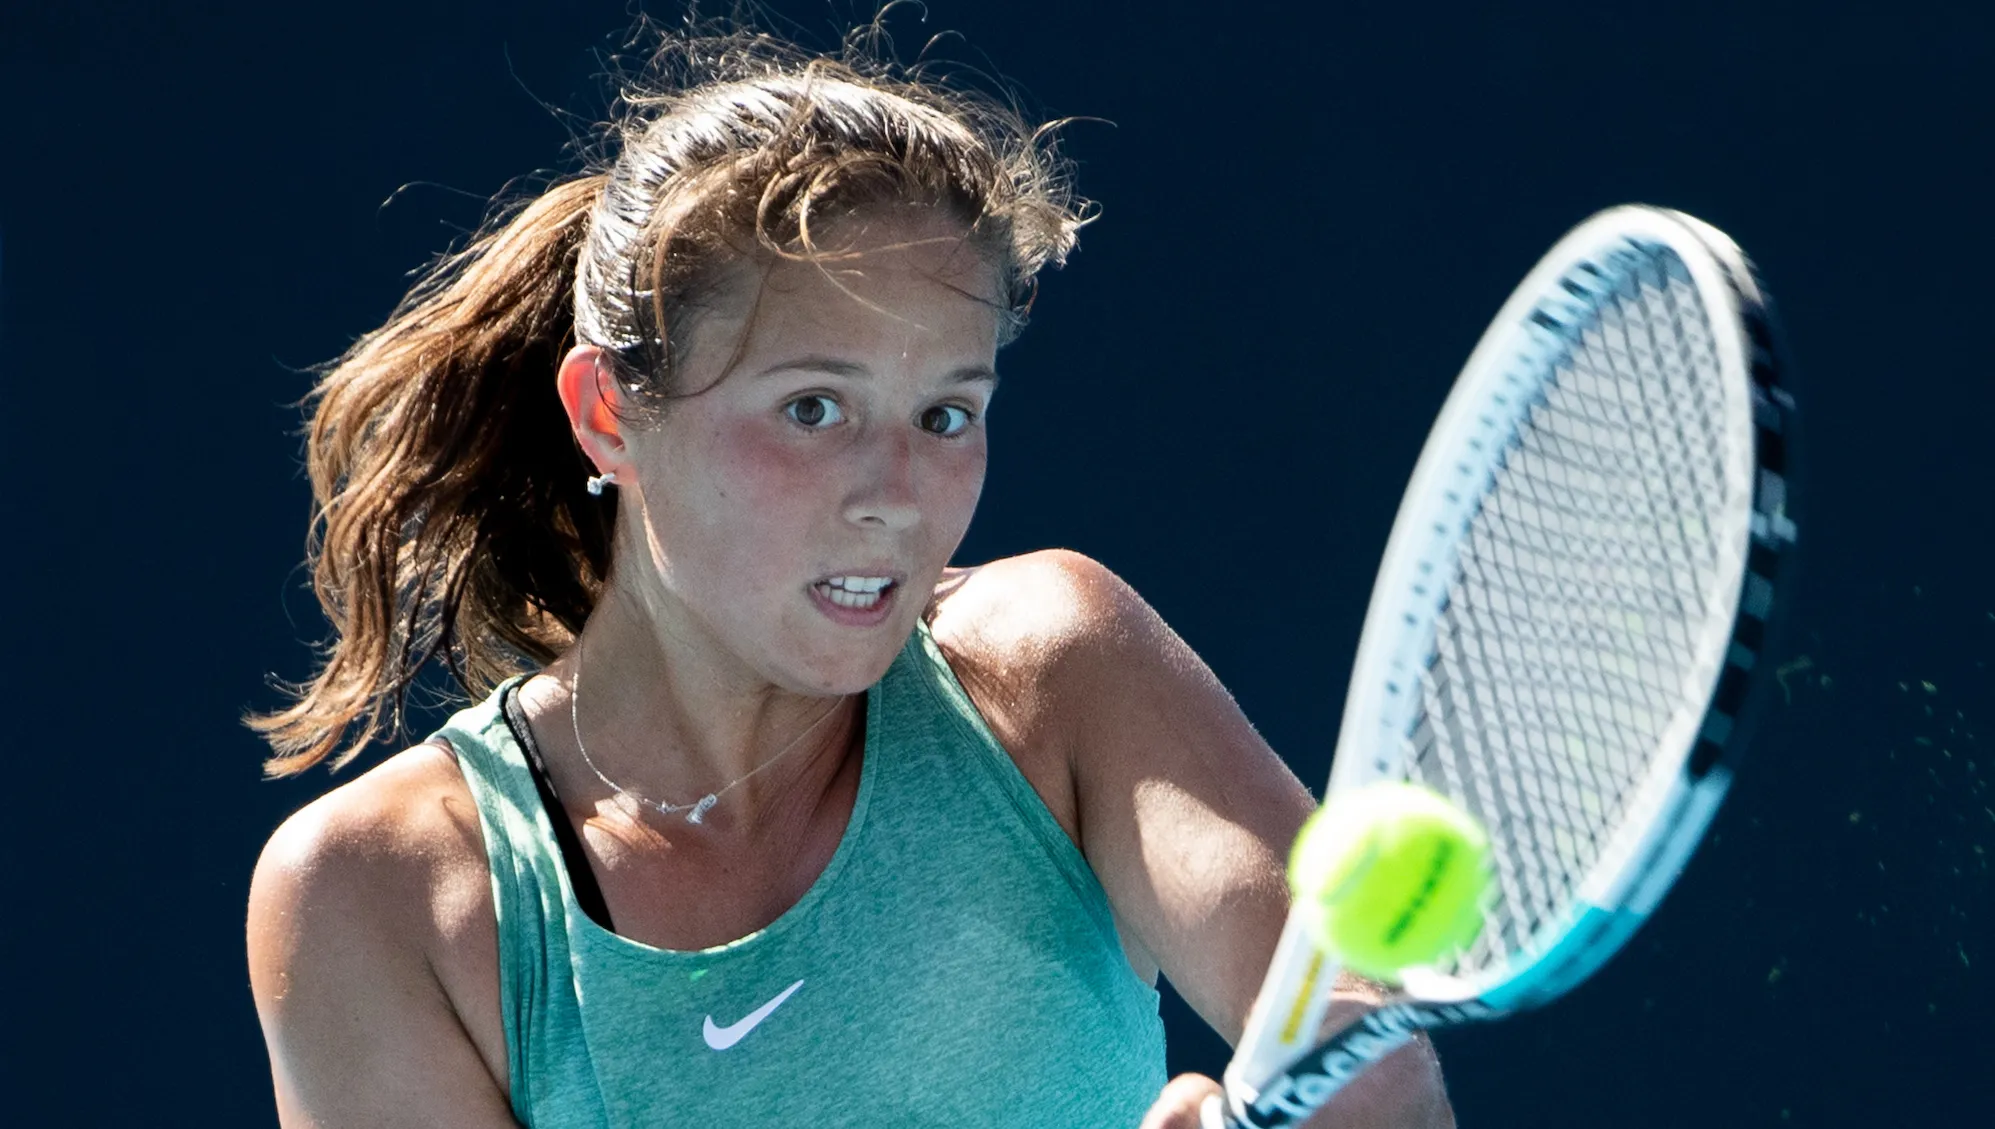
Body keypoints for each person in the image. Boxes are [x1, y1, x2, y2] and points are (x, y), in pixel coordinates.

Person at [244, 20, 1454, 1129]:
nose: (895, 492)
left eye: (945, 413)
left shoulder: (1058, 668)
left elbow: (1375, 1084)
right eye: (814, 407)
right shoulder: (378, 896)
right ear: (610, 411)